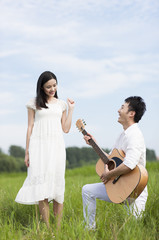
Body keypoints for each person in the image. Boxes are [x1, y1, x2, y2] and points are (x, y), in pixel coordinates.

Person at [15, 71, 75, 229]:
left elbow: (66, 128)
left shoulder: (61, 104)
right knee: (42, 188)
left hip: (56, 147)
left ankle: (58, 228)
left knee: (57, 186)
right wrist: (27, 151)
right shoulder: (33, 103)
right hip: (39, 148)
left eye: (54, 85)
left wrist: (71, 109)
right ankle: (48, 228)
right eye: (48, 86)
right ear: (41, 87)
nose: (52, 89)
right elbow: (30, 127)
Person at [82, 96, 148, 230]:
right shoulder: (122, 135)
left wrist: (108, 175)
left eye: (122, 107)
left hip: (135, 191)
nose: (118, 110)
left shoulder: (134, 135)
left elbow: (130, 164)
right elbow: (111, 159)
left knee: (132, 232)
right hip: (119, 186)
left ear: (131, 113)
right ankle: (90, 229)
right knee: (87, 190)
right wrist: (94, 144)